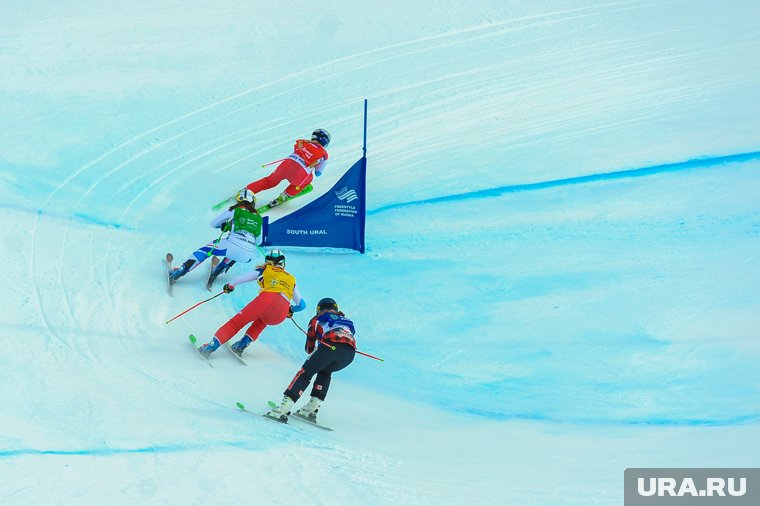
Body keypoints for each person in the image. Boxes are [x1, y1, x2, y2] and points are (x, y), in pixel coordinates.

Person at [197, 249, 306, 358]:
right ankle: (241, 345)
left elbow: (238, 279)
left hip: (267, 299)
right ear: (283, 264)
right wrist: (291, 310)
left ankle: (210, 347)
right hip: (280, 313)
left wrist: (230, 286)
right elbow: (302, 305)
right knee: (262, 321)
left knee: (236, 323)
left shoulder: (264, 270)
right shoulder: (291, 279)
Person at [266, 297, 356, 423]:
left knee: (305, 373)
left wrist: (319, 344)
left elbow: (310, 348)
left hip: (330, 346)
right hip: (350, 354)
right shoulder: (345, 319)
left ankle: (283, 409)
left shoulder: (316, 319)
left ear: (319, 310)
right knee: (325, 372)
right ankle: (311, 409)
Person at [171, 189, 263, 284]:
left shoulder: (235, 209)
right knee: (235, 253)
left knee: (205, 250)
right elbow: (259, 242)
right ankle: (219, 270)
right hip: (248, 256)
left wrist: (223, 225)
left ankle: (182, 269)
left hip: (231, 245)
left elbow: (213, 223)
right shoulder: (258, 217)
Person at [246, 129, 331, 209]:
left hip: (286, 165)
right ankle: (284, 196)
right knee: (309, 180)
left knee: (269, 181)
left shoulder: (303, 142)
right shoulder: (324, 153)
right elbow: (318, 173)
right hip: (300, 173)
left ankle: (247, 191)